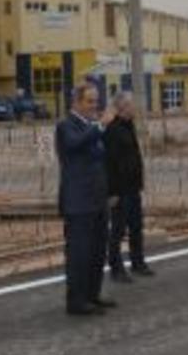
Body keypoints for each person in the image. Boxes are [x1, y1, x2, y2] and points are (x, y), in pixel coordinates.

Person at [55, 83, 117, 316]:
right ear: (77, 103)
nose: (95, 105)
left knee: (97, 251)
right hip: (79, 203)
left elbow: (99, 162)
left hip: (97, 200)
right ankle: (76, 301)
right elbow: (75, 144)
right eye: (90, 101)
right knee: (79, 254)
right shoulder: (66, 126)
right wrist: (101, 125)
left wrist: (109, 193)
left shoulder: (91, 127)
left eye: (96, 101)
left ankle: (93, 294)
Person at [105, 92, 155, 283]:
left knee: (136, 227)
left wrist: (140, 182)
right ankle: (116, 269)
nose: (135, 108)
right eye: (132, 105)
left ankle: (138, 262)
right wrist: (112, 192)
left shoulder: (129, 125)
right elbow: (109, 164)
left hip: (133, 188)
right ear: (122, 107)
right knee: (117, 231)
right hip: (120, 190)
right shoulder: (112, 129)